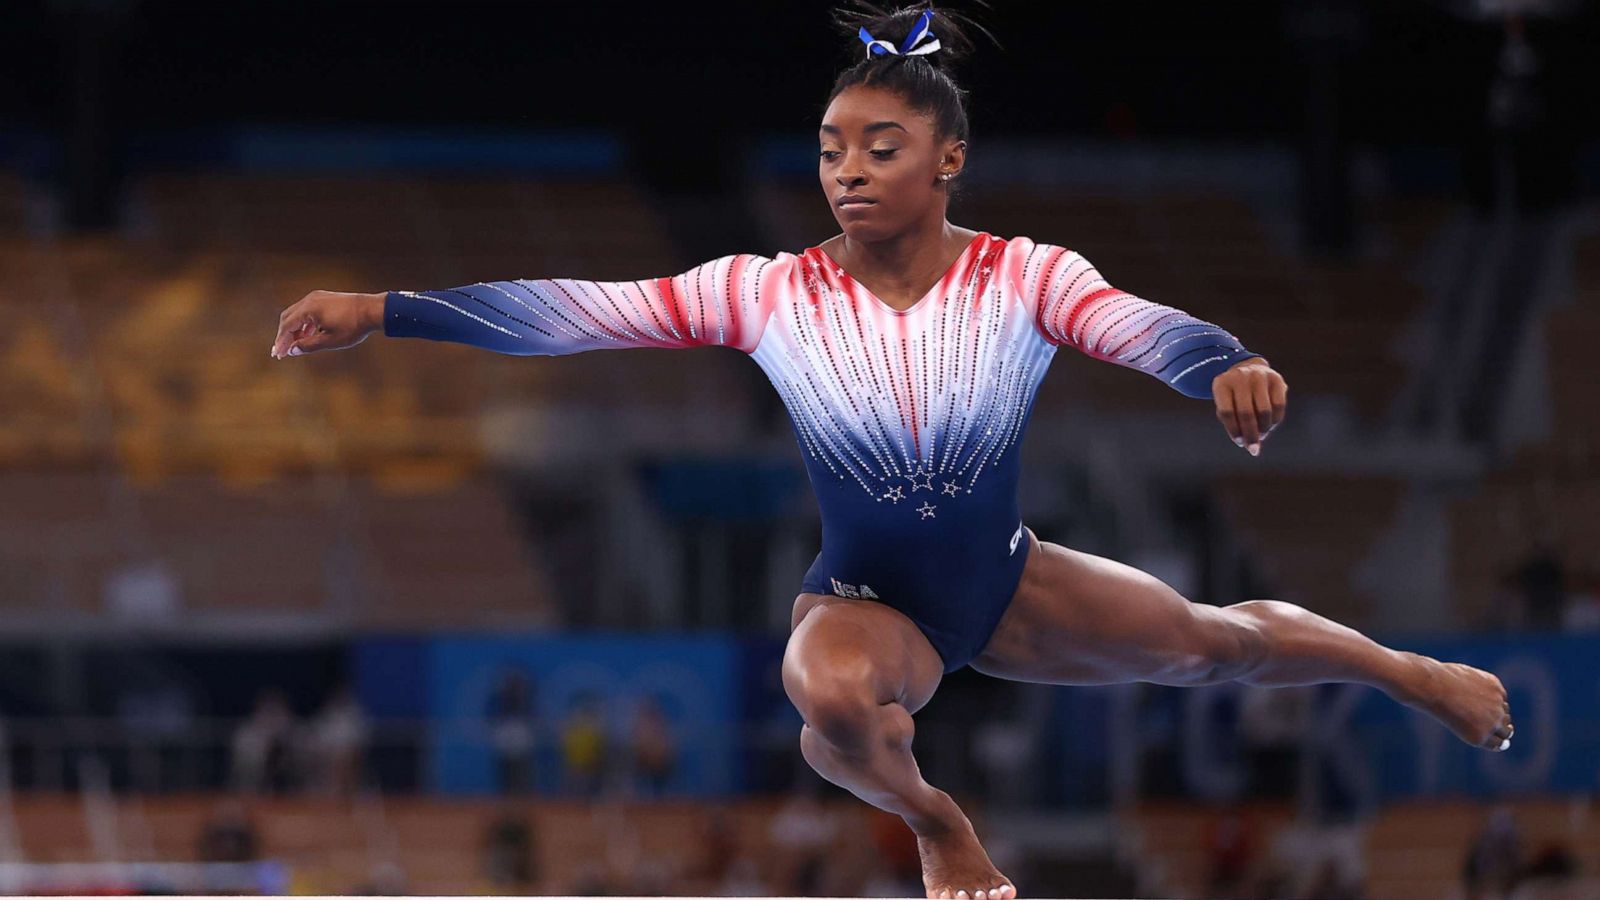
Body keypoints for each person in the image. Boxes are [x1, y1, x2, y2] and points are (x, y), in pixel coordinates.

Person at [268, 5, 1516, 896]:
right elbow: (573, 313)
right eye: (827, 149)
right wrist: (388, 311)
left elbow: (1139, 328)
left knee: (1215, 647)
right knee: (827, 704)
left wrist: (1221, 360)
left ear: (947, 160)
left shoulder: (1025, 278)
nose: (847, 173)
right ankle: (937, 826)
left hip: (1007, 580)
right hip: (868, 600)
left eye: (879, 147)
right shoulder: (765, 291)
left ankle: (1403, 669)